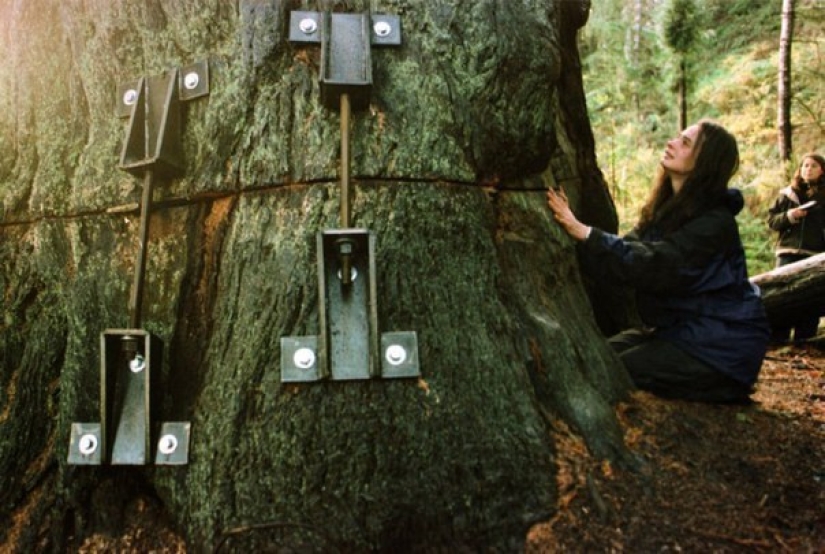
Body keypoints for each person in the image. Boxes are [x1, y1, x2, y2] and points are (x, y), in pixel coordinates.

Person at [546, 119, 770, 403]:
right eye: (678, 137)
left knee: (610, 370)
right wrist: (582, 239)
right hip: (680, 333)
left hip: (720, 347)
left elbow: (656, 265)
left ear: (705, 162)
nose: (671, 143)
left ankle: (725, 387)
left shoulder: (715, 223)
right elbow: (629, 249)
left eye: (685, 142)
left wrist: (585, 233)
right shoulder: (667, 210)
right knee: (597, 354)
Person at [766, 152, 825, 344]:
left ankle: (804, 342)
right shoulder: (787, 195)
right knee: (781, 297)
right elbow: (772, 221)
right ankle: (778, 341)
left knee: (810, 300)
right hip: (787, 252)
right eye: (805, 165)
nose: (808, 169)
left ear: (822, 170)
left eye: (813, 166)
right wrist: (791, 215)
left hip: (814, 254)